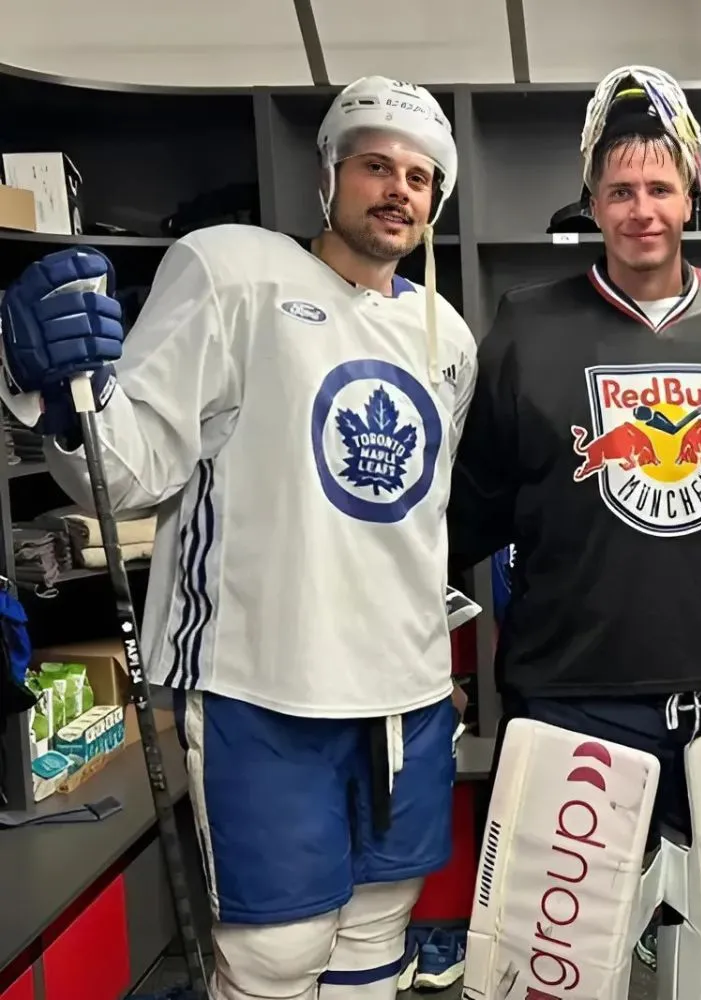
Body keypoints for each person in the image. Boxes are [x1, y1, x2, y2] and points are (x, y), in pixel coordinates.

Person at [0, 75, 477, 1000]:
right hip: (266, 684)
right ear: (328, 173)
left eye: (421, 178)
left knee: (379, 932)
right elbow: (134, 470)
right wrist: (59, 392)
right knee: (277, 955)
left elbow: (418, 515)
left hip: (407, 692)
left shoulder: (446, 333)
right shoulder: (232, 272)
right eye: (376, 166)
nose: (398, 191)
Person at [448, 65, 701, 1000]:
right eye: (620, 190)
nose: (642, 209)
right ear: (592, 201)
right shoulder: (525, 327)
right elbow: (467, 510)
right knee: (552, 980)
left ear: (690, 192)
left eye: (660, 186)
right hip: (574, 704)